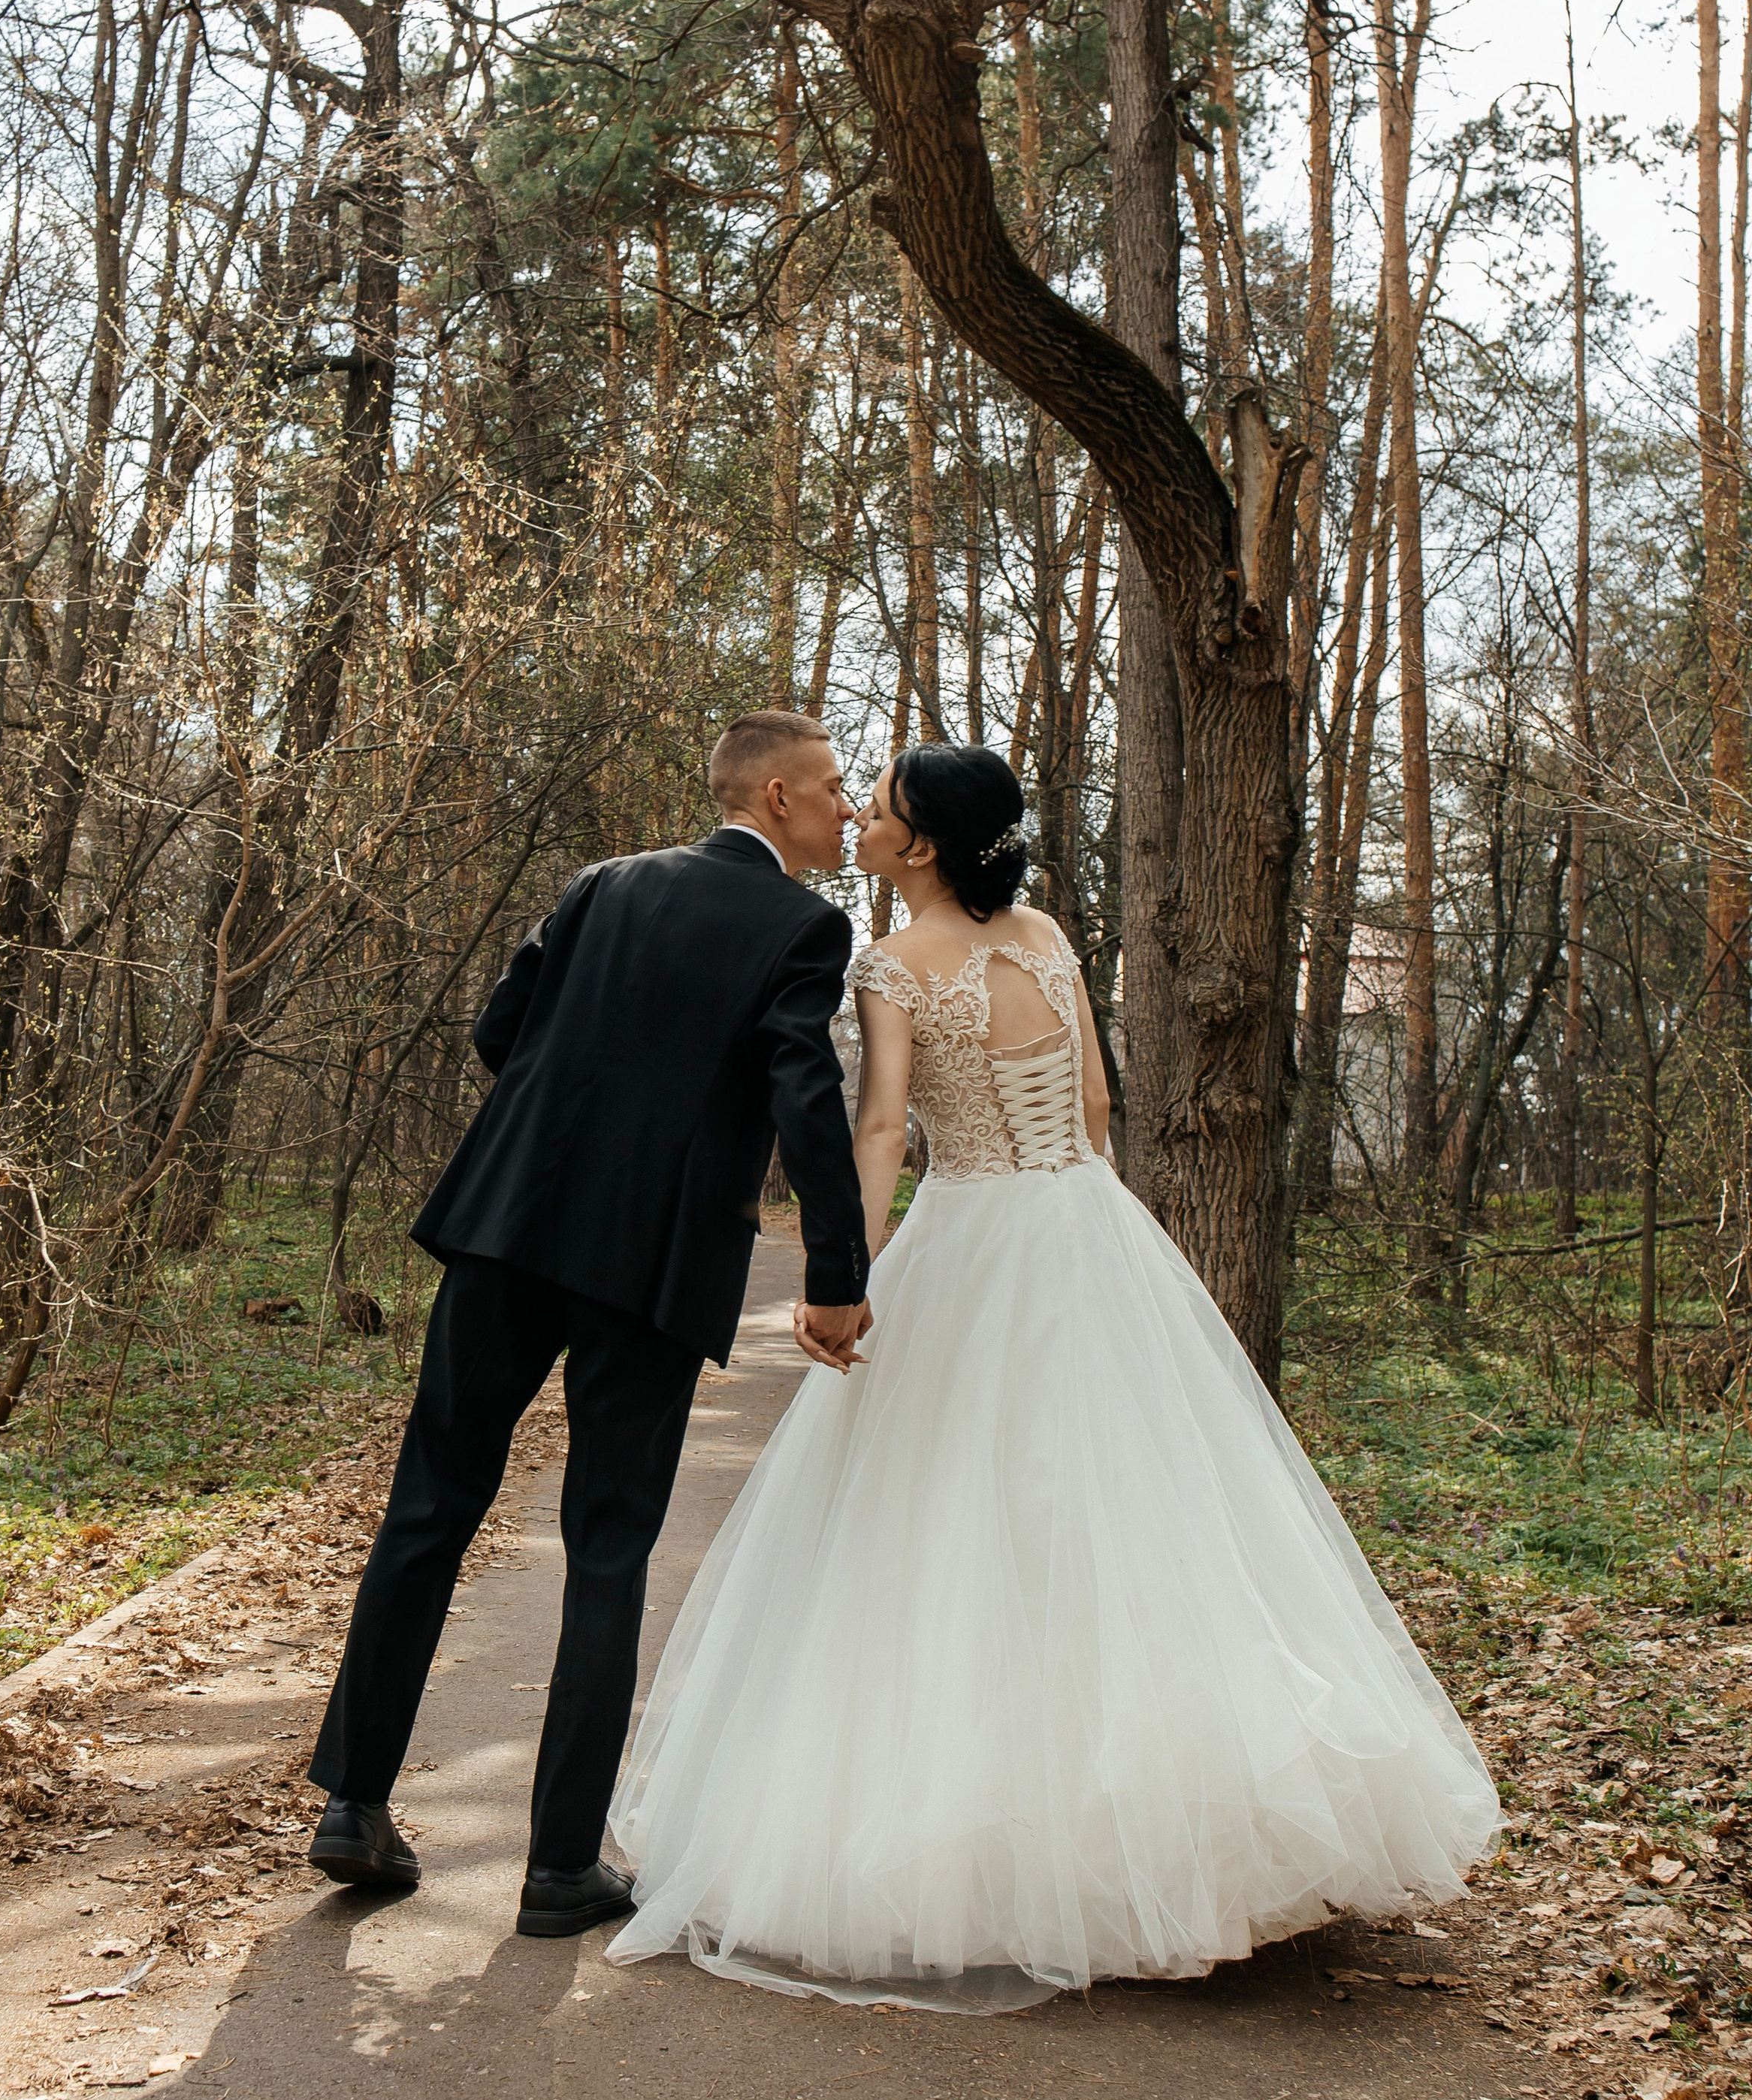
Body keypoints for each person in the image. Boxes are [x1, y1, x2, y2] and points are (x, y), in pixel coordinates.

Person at [606, 742, 1500, 2011]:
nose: (859, 818)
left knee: (944, 1524)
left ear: (920, 846)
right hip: (1088, 1228)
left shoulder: (891, 965)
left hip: (972, 1230)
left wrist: (845, 1272)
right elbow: (1090, 1107)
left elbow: (879, 1128)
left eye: (883, 811)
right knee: (1142, 1513)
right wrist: (1069, 1203)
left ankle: (1003, 1847)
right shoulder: (1049, 938)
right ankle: (1182, 1833)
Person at [304, 711, 872, 1937]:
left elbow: (499, 1031)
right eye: (832, 788)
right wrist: (836, 1265)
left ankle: (353, 1800)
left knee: (428, 1509)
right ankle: (560, 1868)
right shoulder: (802, 927)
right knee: (607, 1552)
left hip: (509, 1227)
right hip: (651, 1265)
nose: (848, 807)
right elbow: (804, 1093)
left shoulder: (601, 884)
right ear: (774, 797)